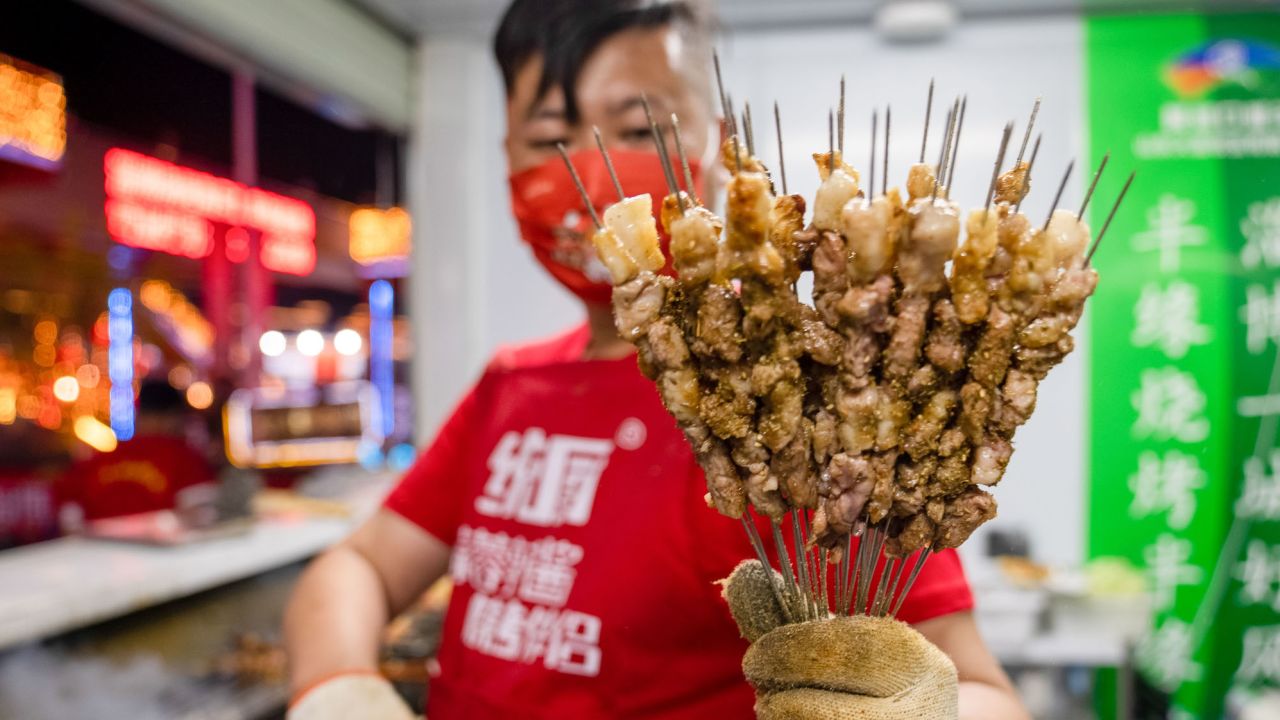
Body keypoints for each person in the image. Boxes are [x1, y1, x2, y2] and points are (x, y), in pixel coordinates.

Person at [284, 2, 1028, 719]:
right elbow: (362, 566)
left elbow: (984, 692)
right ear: (504, 154)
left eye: (639, 127)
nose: (590, 168)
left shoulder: (807, 417)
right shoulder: (512, 386)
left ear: (720, 145)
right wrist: (338, 690)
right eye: (548, 139)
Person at [60, 379, 216, 524]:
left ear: (139, 414)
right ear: (173, 416)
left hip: (96, 550)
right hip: (163, 551)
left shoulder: (96, 462)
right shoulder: (186, 461)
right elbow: (203, 517)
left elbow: (68, 517)